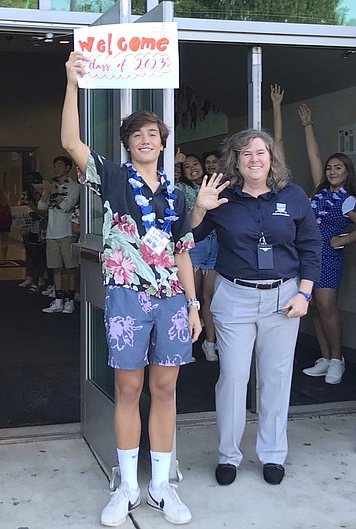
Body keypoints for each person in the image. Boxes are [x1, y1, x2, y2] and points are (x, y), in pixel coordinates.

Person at [63, 52, 200, 526]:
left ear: (163, 144)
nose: (146, 139)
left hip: (172, 301)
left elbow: (182, 249)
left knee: (165, 388)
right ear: (127, 145)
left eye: (153, 134)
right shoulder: (113, 177)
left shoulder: (176, 193)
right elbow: (69, 140)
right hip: (126, 295)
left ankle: (161, 485)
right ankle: (127, 485)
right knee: (128, 387)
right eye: (137, 134)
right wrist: (72, 84)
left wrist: (195, 304)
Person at [190, 129, 321, 487]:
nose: (254, 159)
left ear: (271, 158)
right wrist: (200, 207)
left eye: (260, 153)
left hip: (284, 297)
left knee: (276, 379)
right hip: (235, 297)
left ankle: (273, 454)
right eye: (245, 154)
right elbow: (188, 239)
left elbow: (311, 246)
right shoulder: (223, 198)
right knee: (232, 378)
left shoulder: (293, 196)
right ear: (236, 161)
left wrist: (305, 293)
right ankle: (228, 455)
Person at [296, 103, 355, 384]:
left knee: (327, 304)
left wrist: (344, 238)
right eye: (330, 168)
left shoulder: (348, 199)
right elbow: (313, 155)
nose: (332, 172)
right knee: (314, 306)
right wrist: (308, 125)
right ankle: (324, 357)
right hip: (309, 254)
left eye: (338, 168)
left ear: (347, 173)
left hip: (329, 255)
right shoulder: (320, 191)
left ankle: (337, 359)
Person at [175, 152, 219, 361]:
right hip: (193, 245)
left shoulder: (213, 186)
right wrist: (173, 162)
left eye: (196, 164)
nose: (193, 168)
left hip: (215, 244)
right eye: (187, 166)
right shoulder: (181, 189)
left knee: (209, 297)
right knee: (190, 298)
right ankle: (185, 346)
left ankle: (210, 343)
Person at [38, 156, 80, 314]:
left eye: (60, 165)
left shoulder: (74, 187)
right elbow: (41, 207)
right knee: (55, 268)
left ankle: (70, 300)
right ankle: (58, 300)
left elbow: (67, 207)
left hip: (67, 232)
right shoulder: (51, 186)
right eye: (55, 165)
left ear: (68, 167)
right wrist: (46, 192)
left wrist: (54, 191)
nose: (56, 168)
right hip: (51, 233)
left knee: (70, 268)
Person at [18, 171, 48, 293]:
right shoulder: (25, 194)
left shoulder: (44, 193)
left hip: (42, 227)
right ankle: (30, 277)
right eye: (28, 180)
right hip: (28, 227)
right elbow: (19, 209)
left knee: (41, 254)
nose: (30, 182)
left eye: (32, 180)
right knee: (30, 253)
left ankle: (40, 278)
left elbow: (45, 210)